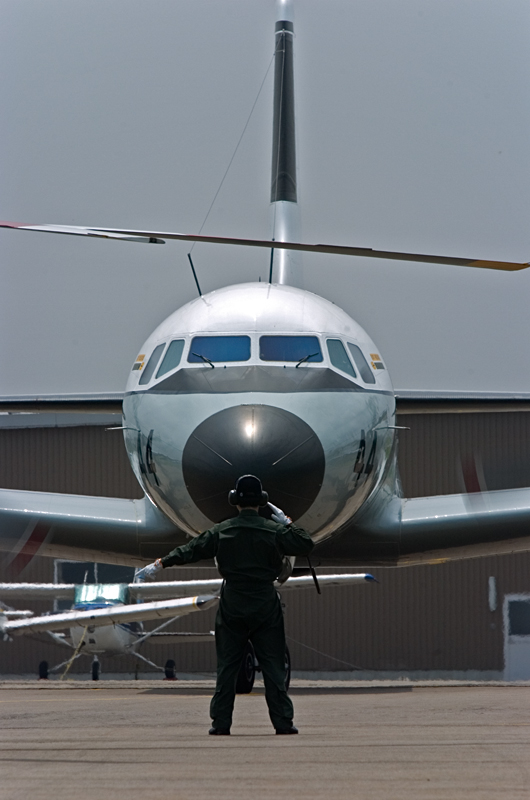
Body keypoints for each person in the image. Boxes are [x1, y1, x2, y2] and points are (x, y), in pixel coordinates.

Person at [137, 474, 314, 735]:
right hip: (265, 602)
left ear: (235, 501)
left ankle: (221, 723)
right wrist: (287, 522)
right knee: (273, 666)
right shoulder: (274, 531)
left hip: (233, 602)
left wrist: (160, 563)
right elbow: (305, 543)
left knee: (228, 666)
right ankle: (283, 723)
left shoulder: (222, 531)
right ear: (261, 502)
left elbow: (190, 550)